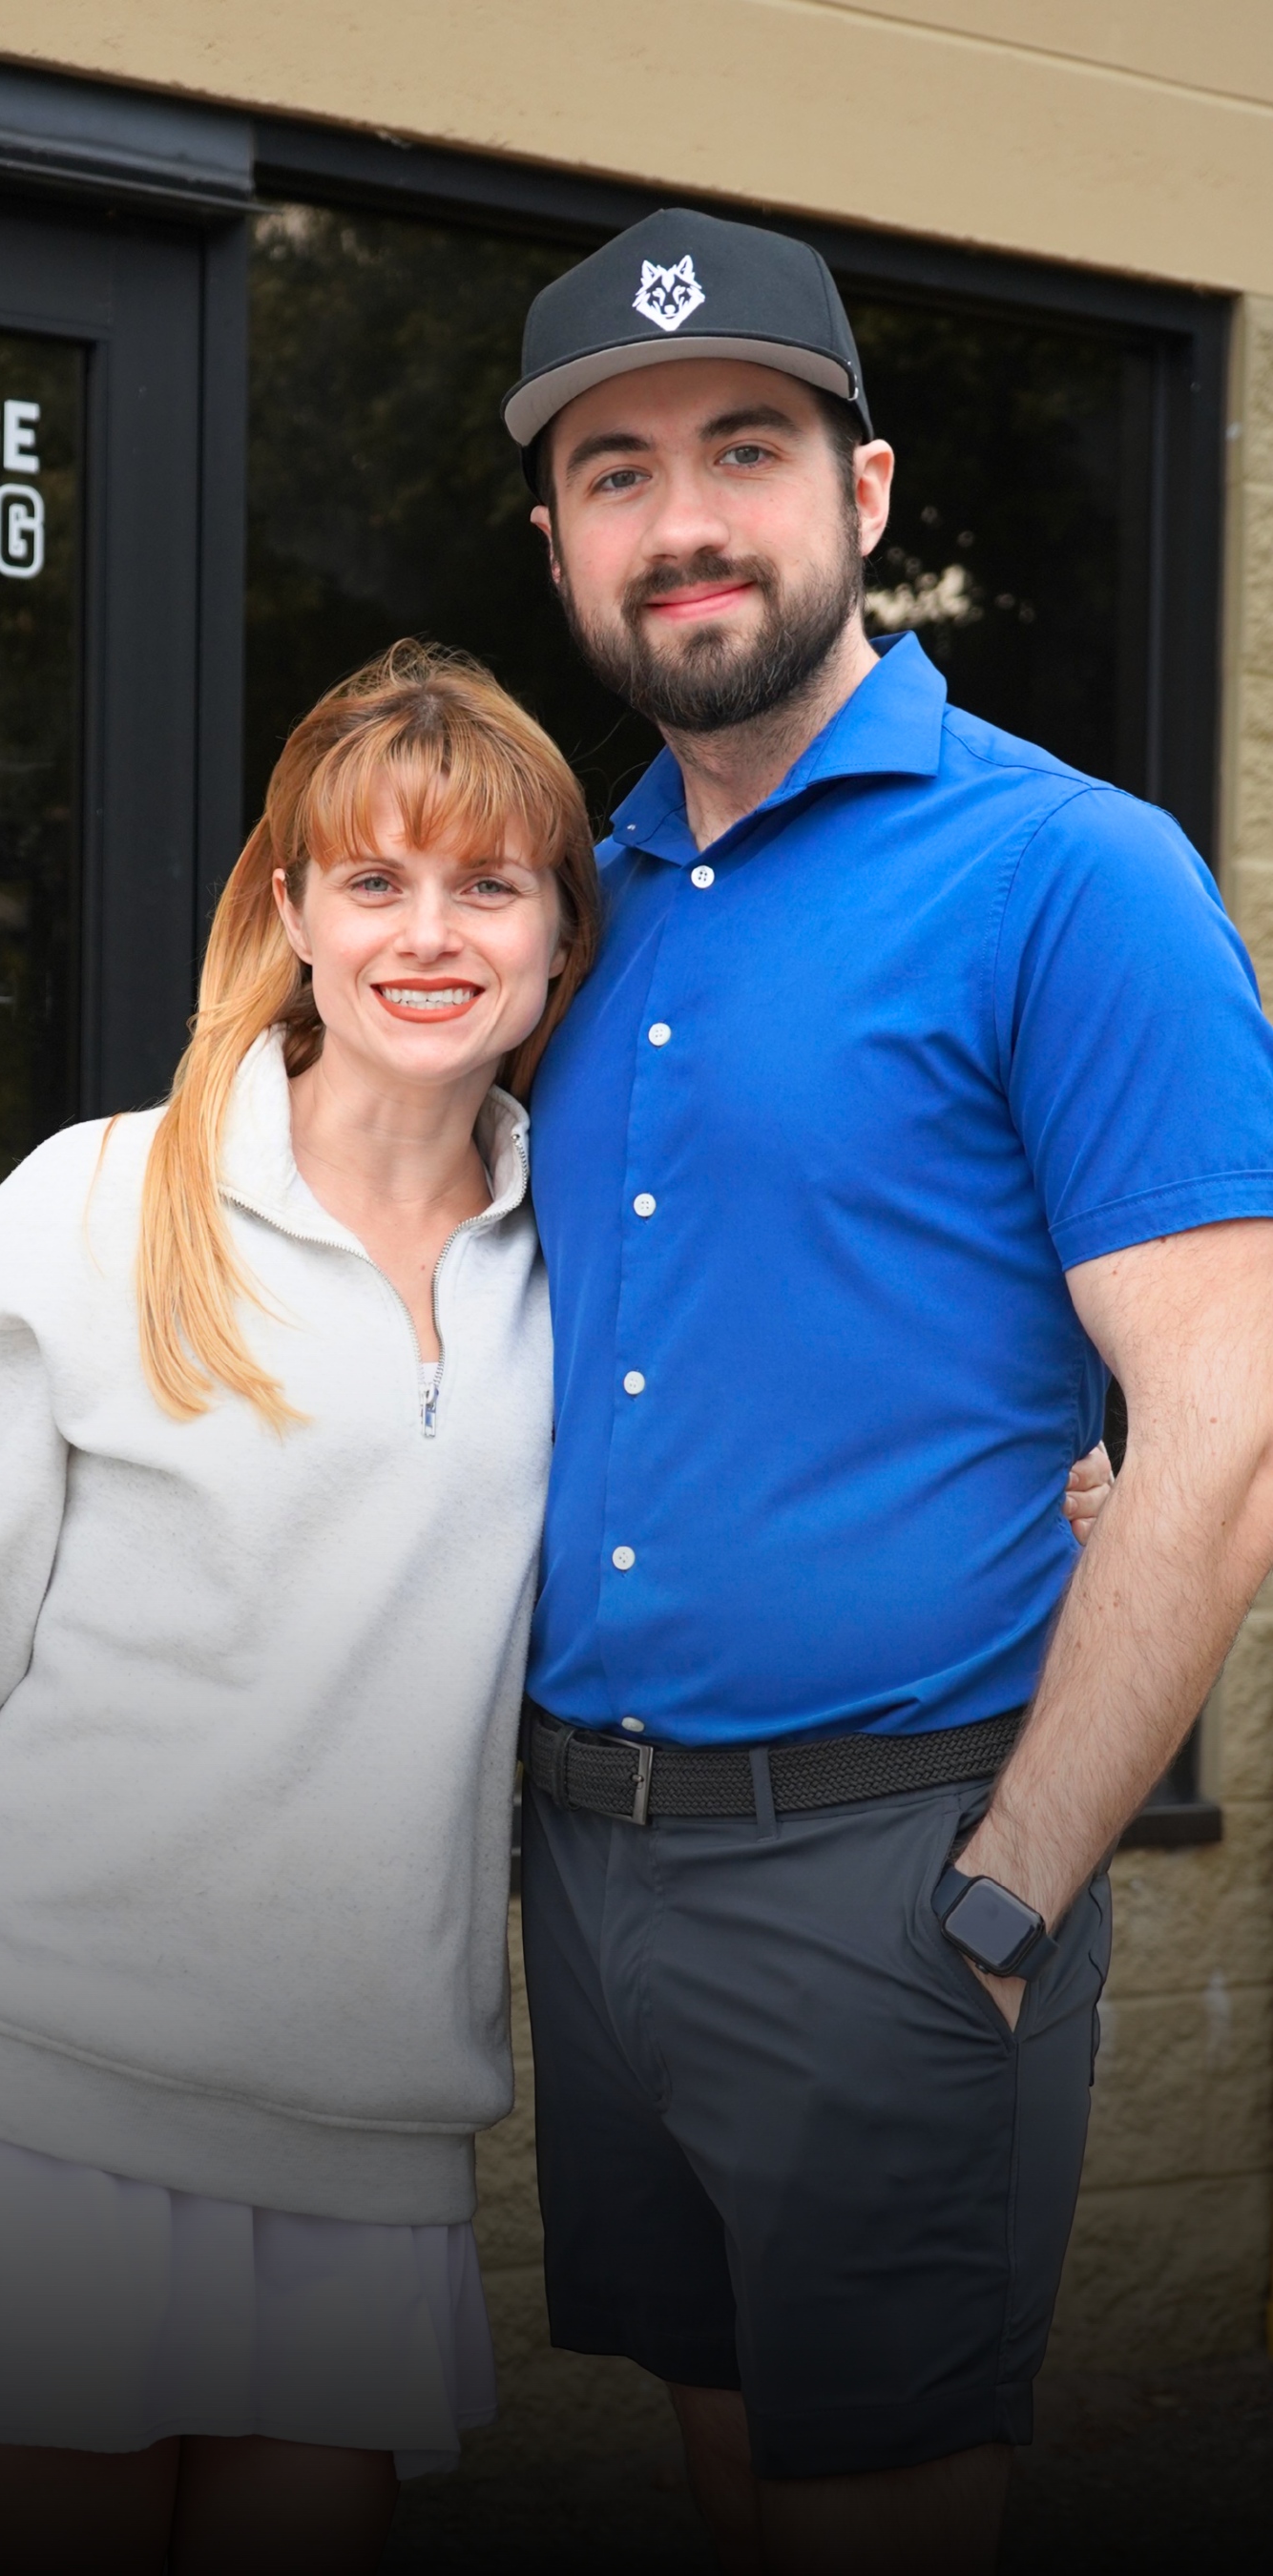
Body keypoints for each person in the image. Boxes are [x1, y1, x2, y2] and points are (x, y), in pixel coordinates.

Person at [505, 205, 1273, 2574]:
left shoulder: (1071, 876)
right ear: (559, 546)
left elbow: (1228, 1425)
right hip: (592, 1866)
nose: (685, 520)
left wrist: (1010, 1895)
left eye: (745, 448)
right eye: (617, 473)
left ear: (863, 492)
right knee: (728, 2470)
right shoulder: (569, 913)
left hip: (892, 1872)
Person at [0, 644, 595, 2575]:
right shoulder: (100, 1205)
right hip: (37, 2093)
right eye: (373, 881)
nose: (429, 933)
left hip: (366, 2129)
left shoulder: (591, 1270)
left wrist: (1062, 1486)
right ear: (291, 912)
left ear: (560, 935)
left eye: (488, 884)